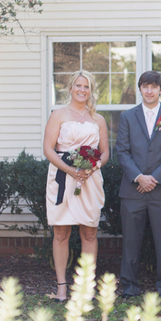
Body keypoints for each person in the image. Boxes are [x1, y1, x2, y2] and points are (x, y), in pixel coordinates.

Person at [115, 71, 161, 300]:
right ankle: (130, 287)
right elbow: (122, 151)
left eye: (154, 86)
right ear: (140, 89)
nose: (150, 91)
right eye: (145, 86)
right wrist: (138, 177)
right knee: (131, 241)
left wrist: (154, 178)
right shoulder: (127, 117)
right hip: (132, 189)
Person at [43, 70, 108, 302]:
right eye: (78, 85)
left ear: (91, 90)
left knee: (89, 231)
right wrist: (70, 170)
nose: (82, 90)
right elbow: (48, 149)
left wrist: (94, 166)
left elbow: (105, 151)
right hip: (63, 176)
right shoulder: (58, 115)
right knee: (61, 232)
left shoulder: (98, 119)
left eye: (87, 86)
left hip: (90, 179)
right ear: (70, 88)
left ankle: (85, 286)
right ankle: (62, 286)